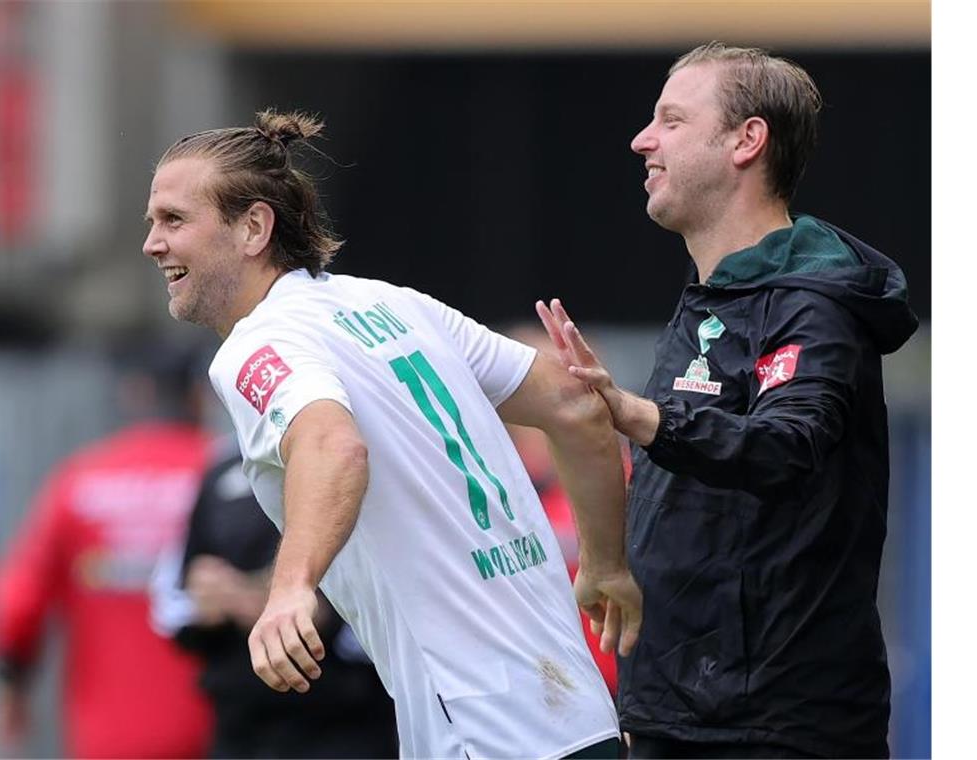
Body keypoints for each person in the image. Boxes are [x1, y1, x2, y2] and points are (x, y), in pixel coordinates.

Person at [140, 109, 641, 759]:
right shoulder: (396, 304)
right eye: (153, 221)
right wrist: (606, 562)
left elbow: (333, 445)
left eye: (174, 220)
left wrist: (290, 587)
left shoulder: (252, 348)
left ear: (254, 228)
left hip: (481, 731)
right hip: (576, 715)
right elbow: (577, 406)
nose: (153, 242)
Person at [536, 42, 919, 759]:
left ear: (747, 141)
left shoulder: (815, 305)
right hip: (675, 714)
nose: (642, 140)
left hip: (776, 728)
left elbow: (786, 445)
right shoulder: (713, 297)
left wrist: (636, 413)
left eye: (672, 120)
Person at [0, 342, 214, 759]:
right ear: (198, 396)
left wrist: (9, 682)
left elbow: (18, 600)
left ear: (134, 395)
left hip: (105, 738)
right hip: (212, 731)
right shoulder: (227, 477)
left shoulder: (80, 481)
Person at [150, 436, 399, 758]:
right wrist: (205, 604)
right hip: (242, 727)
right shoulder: (221, 472)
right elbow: (172, 601)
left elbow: (403, 606)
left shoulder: (358, 461)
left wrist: (333, 615)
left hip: (346, 722)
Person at [501, 324, 633, 698]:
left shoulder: (632, 479)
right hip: (533, 697)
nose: (563, 382)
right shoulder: (491, 486)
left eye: (572, 368)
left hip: (625, 689)